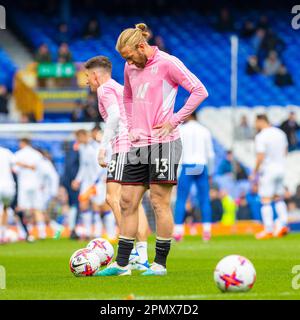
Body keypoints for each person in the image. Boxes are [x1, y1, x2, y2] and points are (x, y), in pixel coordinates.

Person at [97, 22, 208, 276]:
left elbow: (199, 91)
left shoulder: (169, 63)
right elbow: (126, 98)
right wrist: (132, 124)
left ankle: (159, 264)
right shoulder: (129, 66)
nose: (128, 62)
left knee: (159, 203)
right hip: (138, 144)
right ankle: (122, 264)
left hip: (164, 143)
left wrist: (175, 119)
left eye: (129, 56)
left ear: (141, 46)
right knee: (126, 201)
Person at [84, 55, 150, 270]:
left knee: (113, 198)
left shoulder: (104, 89)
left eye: (87, 76)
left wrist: (103, 146)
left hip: (122, 147)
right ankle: (142, 256)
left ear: (95, 75)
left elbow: (113, 117)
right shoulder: (118, 87)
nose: (87, 81)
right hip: (137, 145)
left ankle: (128, 252)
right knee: (133, 203)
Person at [173, 112, 215, 242]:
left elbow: (177, 151)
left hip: (188, 165)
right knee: (204, 199)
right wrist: (210, 172)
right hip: (201, 166)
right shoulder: (204, 130)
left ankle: (178, 232)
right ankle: (207, 231)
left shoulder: (182, 130)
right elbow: (211, 154)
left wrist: (176, 171)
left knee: (181, 199)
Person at [71, 129, 116, 240]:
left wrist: (103, 177)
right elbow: (83, 166)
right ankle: (88, 232)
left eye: (79, 137)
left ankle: (110, 233)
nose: (78, 140)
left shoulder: (97, 147)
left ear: (84, 135)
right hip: (87, 182)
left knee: (102, 207)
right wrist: (78, 180)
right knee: (84, 204)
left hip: (99, 181)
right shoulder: (82, 148)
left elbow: (102, 163)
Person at [250, 114, 289, 239]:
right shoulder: (280, 133)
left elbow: (260, 156)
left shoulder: (261, 136)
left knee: (265, 200)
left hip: (268, 170)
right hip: (281, 168)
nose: (255, 126)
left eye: (256, 123)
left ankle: (268, 229)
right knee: (278, 198)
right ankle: (282, 224)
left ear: (261, 121)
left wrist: (254, 172)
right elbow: (285, 151)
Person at [13, 138, 46, 241]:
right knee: (37, 209)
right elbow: (42, 170)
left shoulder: (18, 155)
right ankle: (42, 233)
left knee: (23, 209)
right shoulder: (37, 154)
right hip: (36, 184)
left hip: (24, 184)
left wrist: (23, 166)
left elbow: (15, 170)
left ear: (23, 143)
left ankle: (26, 232)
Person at [0, 147, 16, 243]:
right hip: (8, 186)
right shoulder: (6, 152)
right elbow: (16, 166)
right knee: (5, 208)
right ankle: (3, 234)